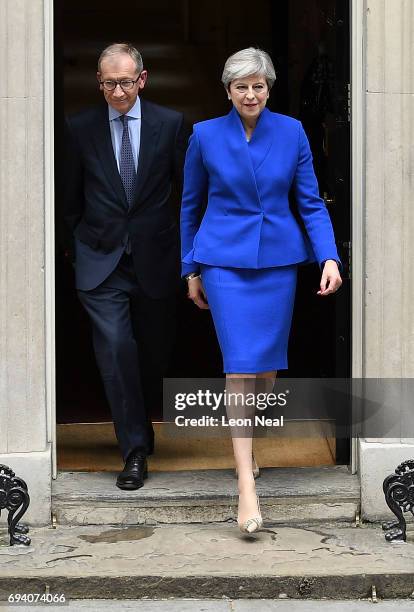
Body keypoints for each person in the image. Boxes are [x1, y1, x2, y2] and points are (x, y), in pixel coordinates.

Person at [180, 47, 342, 534]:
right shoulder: (205, 136)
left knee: (265, 371)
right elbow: (190, 206)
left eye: (258, 85)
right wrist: (191, 270)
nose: (250, 94)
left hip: (277, 262)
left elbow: (310, 202)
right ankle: (246, 488)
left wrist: (329, 256)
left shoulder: (291, 131)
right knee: (239, 368)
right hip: (223, 264)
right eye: (240, 86)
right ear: (227, 91)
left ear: (268, 88)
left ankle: (248, 449)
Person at [64, 43, 187, 490]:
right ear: (99, 83)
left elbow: (185, 196)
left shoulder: (170, 124)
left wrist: (186, 258)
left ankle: (140, 422)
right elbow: (68, 197)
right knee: (115, 349)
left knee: (151, 355)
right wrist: (77, 249)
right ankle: (133, 449)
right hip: (101, 262)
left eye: (126, 82)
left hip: (155, 259)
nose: (118, 91)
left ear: (143, 78)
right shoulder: (79, 127)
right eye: (109, 83)